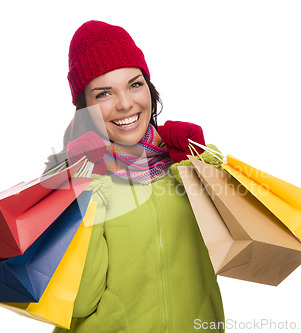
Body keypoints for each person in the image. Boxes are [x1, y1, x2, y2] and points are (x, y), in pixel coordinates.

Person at [45, 20, 225, 333]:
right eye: (104, 93)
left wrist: (198, 164)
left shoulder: (183, 163)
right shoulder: (69, 179)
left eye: (135, 84)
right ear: (84, 106)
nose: (126, 103)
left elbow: (236, 250)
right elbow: (80, 301)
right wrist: (83, 187)